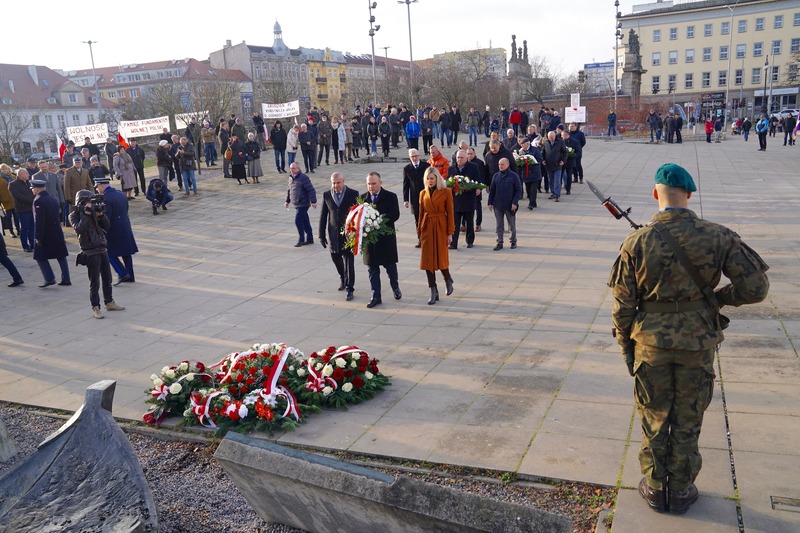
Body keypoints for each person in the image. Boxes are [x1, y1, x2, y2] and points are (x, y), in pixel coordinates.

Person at [608, 163, 769, 515]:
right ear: (690, 195)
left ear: (655, 194)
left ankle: (654, 486)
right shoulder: (718, 235)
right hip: (697, 343)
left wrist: (626, 347)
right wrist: (716, 300)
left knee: (654, 415)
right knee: (688, 415)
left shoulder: (637, 241)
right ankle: (680, 490)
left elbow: (622, 307)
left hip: (650, 345)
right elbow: (756, 287)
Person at [70, 189, 125, 319]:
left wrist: (100, 215)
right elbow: (80, 229)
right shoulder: (74, 215)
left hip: (102, 248)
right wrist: (86, 214)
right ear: (81, 202)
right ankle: (95, 307)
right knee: (94, 282)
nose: (90, 204)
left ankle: (109, 302)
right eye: (88, 201)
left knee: (107, 279)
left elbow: (106, 225)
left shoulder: (94, 211)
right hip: (90, 251)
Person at [362, 172, 400, 308]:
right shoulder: (362, 199)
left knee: (390, 267)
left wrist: (379, 220)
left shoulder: (390, 196)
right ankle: (376, 296)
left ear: (380, 183)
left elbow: (395, 214)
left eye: (374, 183)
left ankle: (395, 287)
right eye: (369, 184)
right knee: (372, 270)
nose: (371, 187)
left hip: (385, 240)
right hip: (370, 241)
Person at [319, 172, 360, 301]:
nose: (335, 185)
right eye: (333, 183)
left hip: (348, 233)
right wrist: (321, 235)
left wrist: (357, 232)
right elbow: (323, 215)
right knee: (335, 257)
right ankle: (342, 277)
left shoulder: (353, 194)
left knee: (349, 261)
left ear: (343, 181)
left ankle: (350, 288)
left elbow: (358, 213)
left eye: (338, 183)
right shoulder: (326, 195)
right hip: (333, 234)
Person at [417, 167, 455, 305]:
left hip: (440, 227)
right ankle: (433, 290)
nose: (430, 181)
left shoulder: (446, 192)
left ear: (437, 178)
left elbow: (450, 213)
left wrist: (450, 233)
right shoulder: (422, 193)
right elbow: (421, 214)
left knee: (441, 258)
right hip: (427, 227)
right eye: (427, 178)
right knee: (428, 261)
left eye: (432, 178)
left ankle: (447, 278)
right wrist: (419, 232)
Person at [94, 176, 138, 284]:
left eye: (97, 187)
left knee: (109, 253)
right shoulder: (120, 194)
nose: (96, 189)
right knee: (126, 253)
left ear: (102, 185)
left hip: (113, 228)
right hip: (125, 225)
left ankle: (122, 273)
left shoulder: (105, 198)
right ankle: (130, 276)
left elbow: (106, 217)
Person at [31, 179, 70, 287]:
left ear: (37, 189)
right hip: (56, 231)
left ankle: (49, 278)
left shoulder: (38, 200)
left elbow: (39, 221)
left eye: (33, 189)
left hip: (46, 233)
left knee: (39, 256)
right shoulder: (53, 199)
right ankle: (66, 278)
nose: (32, 191)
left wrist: (38, 236)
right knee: (61, 256)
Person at [447, 149, 481, 250]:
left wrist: (477, 188)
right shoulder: (451, 168)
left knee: (469, 222)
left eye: (462, 157)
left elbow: (478, 180)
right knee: (454, 223)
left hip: (468, 200)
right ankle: (453, 243)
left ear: (466, 158)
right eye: (458, 157)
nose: (459, 159)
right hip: (456, 201)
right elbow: (447, 181)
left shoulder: (473, 167)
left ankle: (470, 241)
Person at [487, 158, 521, 251]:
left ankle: (513, 241)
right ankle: (499, 242)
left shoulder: (514, 176)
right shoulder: (496, 176)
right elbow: (492, 190)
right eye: (499, 164)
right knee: (499, 225)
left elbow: (518, 190)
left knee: (511, 225)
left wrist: (515, 202)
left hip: (509, 205)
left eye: (502, 164)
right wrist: (490, 202)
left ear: (508, 164)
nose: (500, 166)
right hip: (498, 204)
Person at [402, 149, 430, 248]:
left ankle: (429, 238)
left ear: (419, 155)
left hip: (426, 197)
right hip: (414, 199)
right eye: (412, 157)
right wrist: (406, 200)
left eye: (416, 156)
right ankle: (420, 239)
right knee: (417, 220)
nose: (414, 158)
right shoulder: (407, 169)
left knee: (427, 218)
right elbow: (406, 185)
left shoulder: (426, 166)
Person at [285, 162, 317, 247]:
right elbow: (289, 190)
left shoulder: (303, 178)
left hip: (303, 203)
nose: (291, 170)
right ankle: (310, 238)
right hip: (296, 202)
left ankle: (301, 239)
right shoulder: (291, 178)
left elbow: (311, 190)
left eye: (294, 168)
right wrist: (287, 201)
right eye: (291, 168)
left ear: (298, 169)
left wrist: (313, 201)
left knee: (298, 221)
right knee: (305, 221)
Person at [8, 169, 33, 252]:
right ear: (21, 174)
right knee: (25, 228)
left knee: (32, 227)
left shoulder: (29, 183)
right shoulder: (13, 184)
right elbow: (18, 196)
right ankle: (25, 246)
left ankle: (33, 244)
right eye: (27, 174)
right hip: (23, 209)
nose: (28, 175)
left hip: (32, 208)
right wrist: (31, 201)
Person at [466, 147, 489, 231]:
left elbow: (482, 176)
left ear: (474, 154)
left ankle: (478, 224)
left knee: (477, 207)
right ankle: (465, 224)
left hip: (476, 189)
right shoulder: (465, 162)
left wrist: (480, 188)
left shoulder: (479, 163)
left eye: (471, 154)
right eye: (468, 154)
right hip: (466, 189)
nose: (469, 155)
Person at [516, 137, 543, 210]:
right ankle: (533, 203)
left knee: (533, 190)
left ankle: (531, 203)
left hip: (534, 173)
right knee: (528, 190)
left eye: (523, 144)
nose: (521, 146)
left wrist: (531, 161)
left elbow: (540, 159)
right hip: (526, 174)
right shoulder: (521, 151)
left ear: (527, 143)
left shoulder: (535, 150)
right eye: (521, 144)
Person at [542, 132, 567, 202]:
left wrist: (563, 161)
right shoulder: (546, 143)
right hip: (549, 165)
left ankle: (557, 195)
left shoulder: (560, 142)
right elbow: (543, 152)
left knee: (557, 180)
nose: (551, 139)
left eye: (552, 138)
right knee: (551, 180)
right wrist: (543, 160)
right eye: (550, 138)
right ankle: (553, 193)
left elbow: (565, 152)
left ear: (555, 136)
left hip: (557, 164)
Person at [0, 164, 20, 239]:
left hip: (15, 200)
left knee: (17, 216)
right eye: (2, 169)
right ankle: (11, 231)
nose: (4, 170)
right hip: (5, 201)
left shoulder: (13, 177)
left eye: (5, 168)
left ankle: (18, 229)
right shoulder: (0, 179)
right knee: (8, 217)